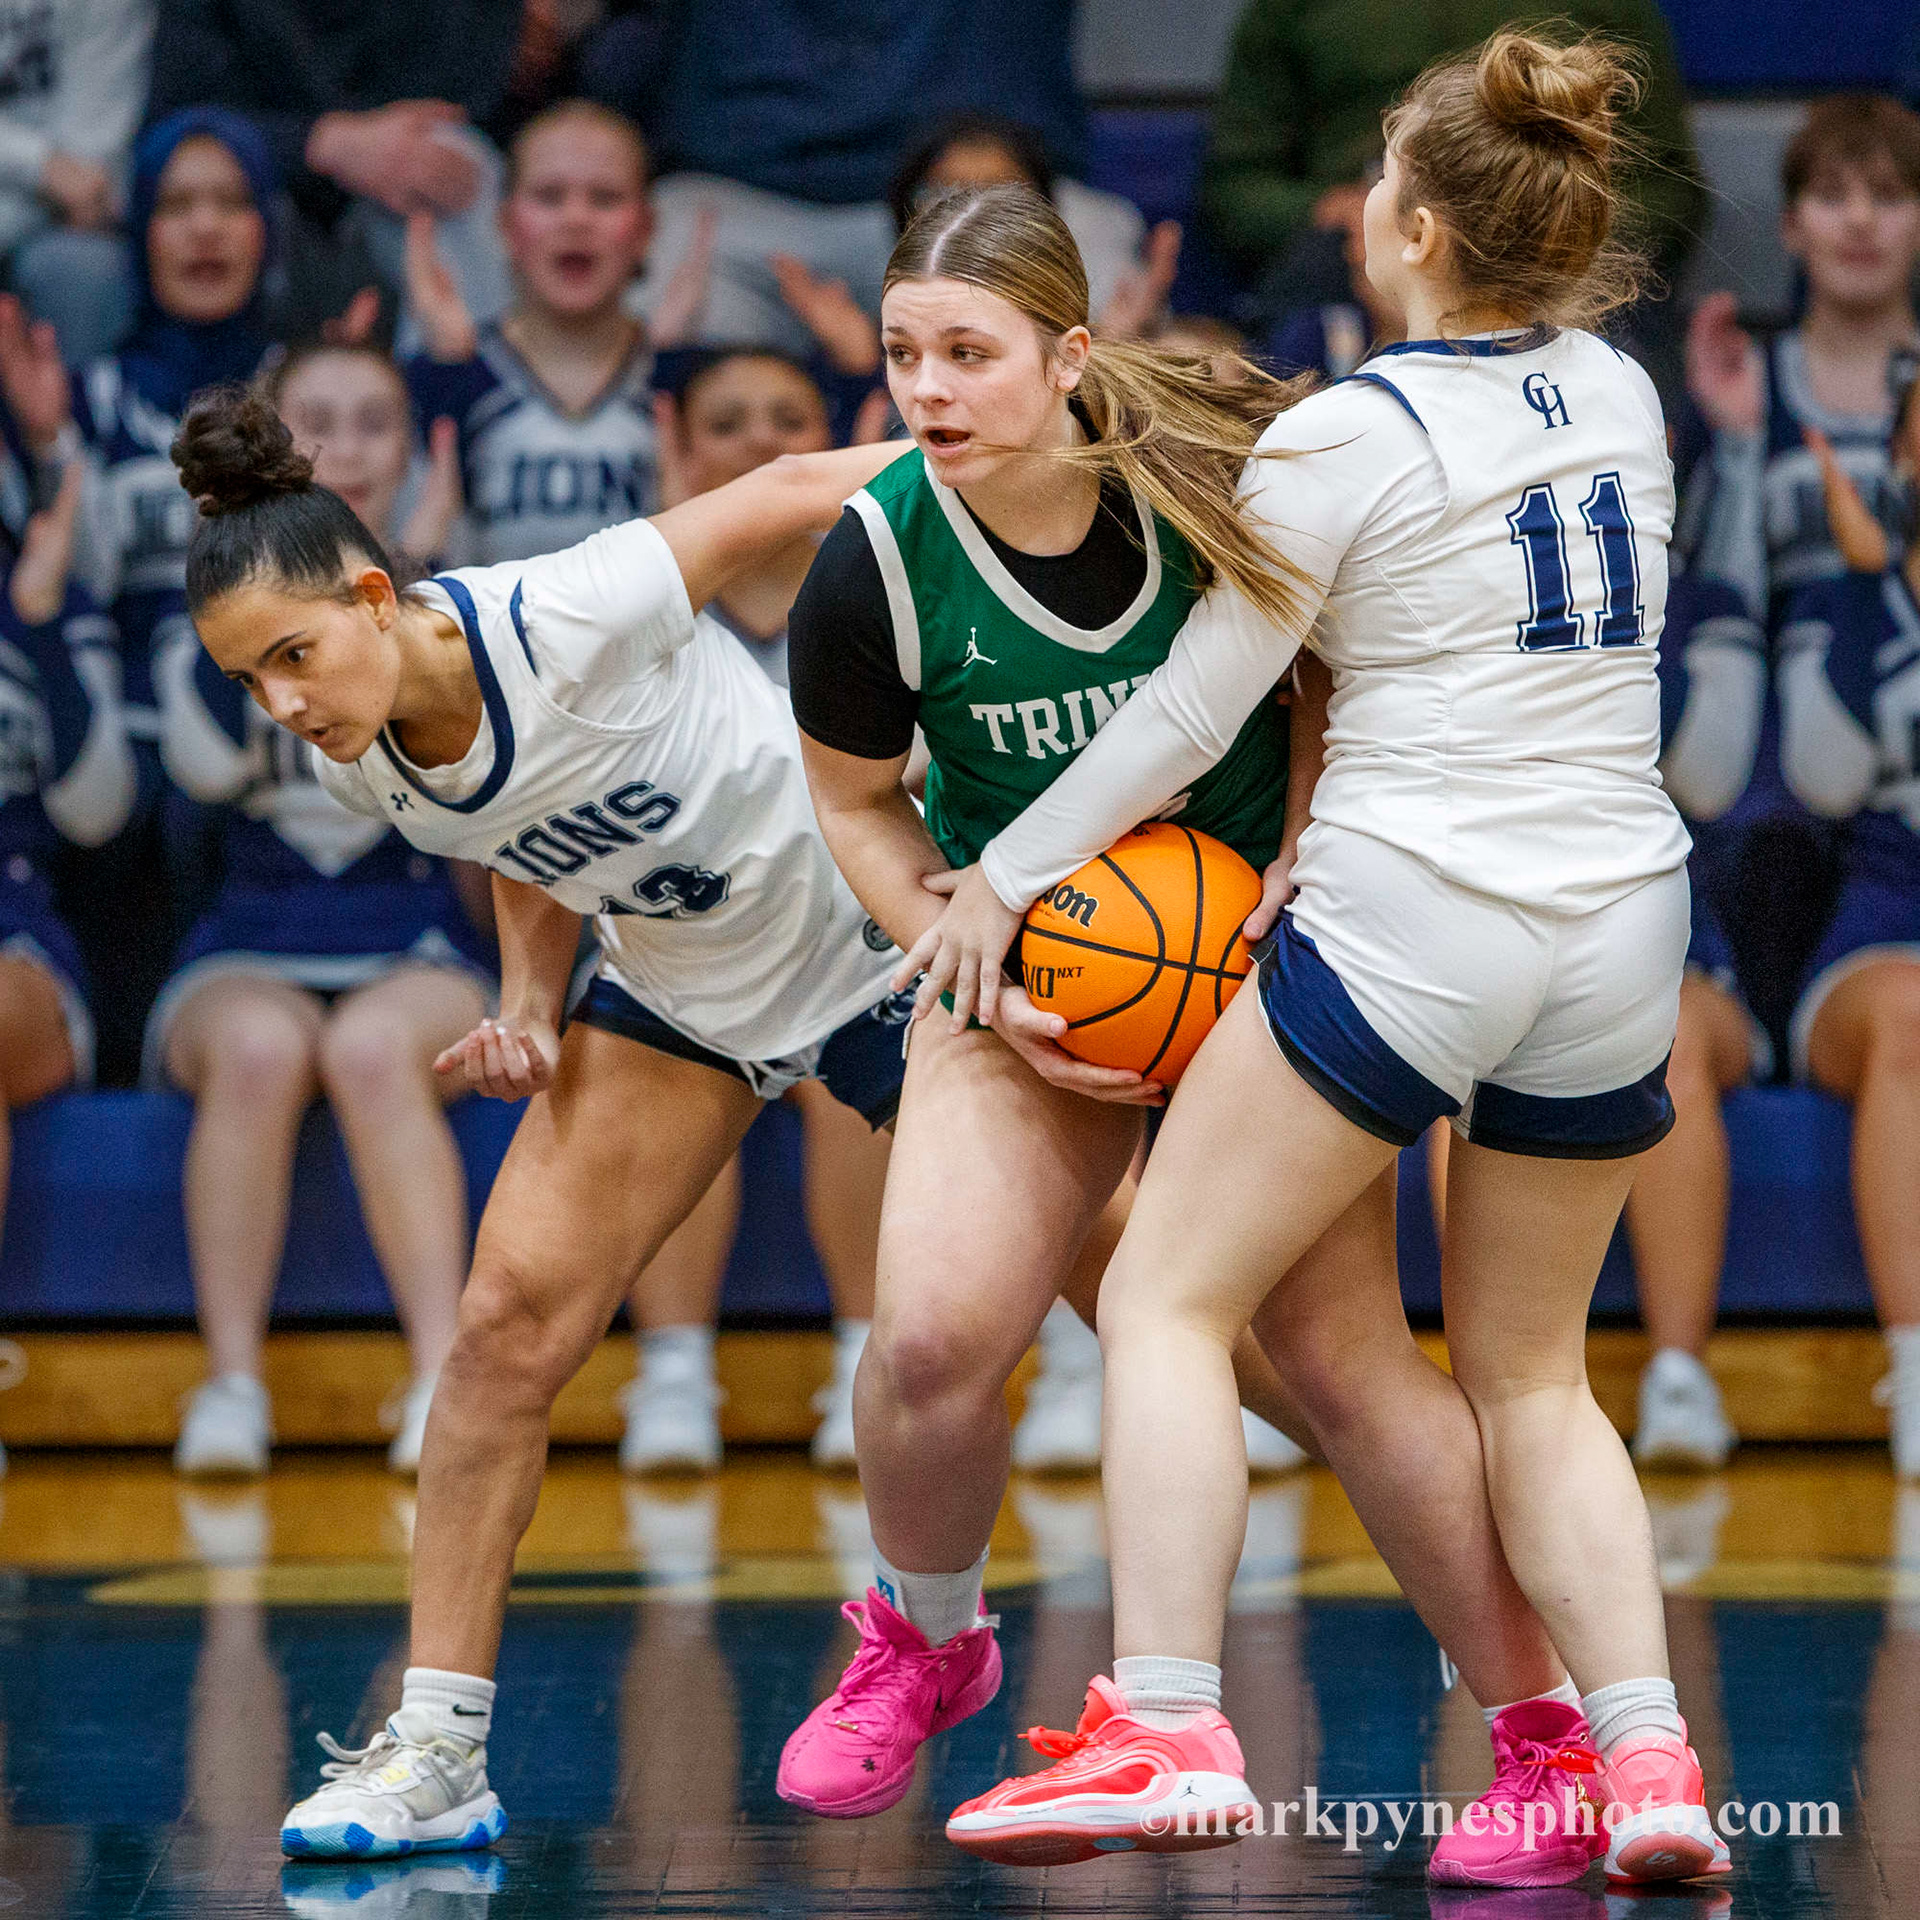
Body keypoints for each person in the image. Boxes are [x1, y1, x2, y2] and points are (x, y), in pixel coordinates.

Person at [906, 39, 1727, 1885]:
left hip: (1422, 904)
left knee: (1171, 1301)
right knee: (1532, 1375)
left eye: (1372, 172)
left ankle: (1169, 1717)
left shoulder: (1347, 431)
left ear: (1410, 227)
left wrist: (1003, 878)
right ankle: (1649, 1767)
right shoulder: (1621, 389)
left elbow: (1193, 714)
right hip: (1621, 921)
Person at [779, 181, 1612, 1894]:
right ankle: (930, 1637)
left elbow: (1339, 668)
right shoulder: (875, 555)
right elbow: (855, 803)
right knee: (932, 1338)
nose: (927, 390)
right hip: (1025, 977)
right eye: (901, 355)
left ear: (1071, 356)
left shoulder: (1213, 478)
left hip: (1260, 972)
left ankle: (1551, 1748)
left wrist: (1309, 839)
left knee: (1351, 1370)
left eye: (967, 354)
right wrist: (957, 942)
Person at [160, 381, 922, 1855]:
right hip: (684, 994)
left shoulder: (563, 606)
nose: (286, 706)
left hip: (873, 938)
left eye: (295, 656)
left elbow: (780, 489)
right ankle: (437, 1751)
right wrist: (524, 996)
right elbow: (521, 826)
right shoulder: (360, 752)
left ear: (379, 600)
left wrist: (1018, 456)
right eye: (249, 683)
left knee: (1146, 1280)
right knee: (503, 1332)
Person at [152, 343, 488, 1479]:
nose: (345, 448)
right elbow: (199, 771)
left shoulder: (448, 603)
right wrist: (236, 591)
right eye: (318, 424)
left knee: (372, 1049)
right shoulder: (201, 613)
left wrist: (416, 578)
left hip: (408, 936)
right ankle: (231, 1384)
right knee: (258, 1048)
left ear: (412, 452)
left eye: (373, 424)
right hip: (251, 934)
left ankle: (442, 1378)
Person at [616, 345, 890, 1473]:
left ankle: (864, 1365)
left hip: (862, 942)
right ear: (678, 449)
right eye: (729, 420)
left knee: (854, 1069)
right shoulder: (636, 617)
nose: (764, 440)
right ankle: (674, 1371)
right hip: (695, 947)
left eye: (790, 416)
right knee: (677, 1057)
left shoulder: (884, 594)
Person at [0, 108, 281, 1080]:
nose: (205, 229)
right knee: (118, 807)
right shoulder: (80, 395)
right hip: (110, 740)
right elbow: (53, 582)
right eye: (177, 206)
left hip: (265, 730)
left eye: (231, 204)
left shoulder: (308, 393)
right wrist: (46, 449)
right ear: (140, 235)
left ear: (268, 230)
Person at [1778, 388, 1920, 1475]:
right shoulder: (1856, 603)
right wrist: (1869, 584)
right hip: (1874, 942)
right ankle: (1915, 1367)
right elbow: (1823, 781)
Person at [1625, 569, 1767, 1468]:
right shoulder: (1465, 559)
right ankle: (1492, 1393)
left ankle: (1679, 1379)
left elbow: (1709, 779)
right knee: (1476, 1055)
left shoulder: (1706, 600)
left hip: (1675, 943)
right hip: (1508, 931)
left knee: (1666, 1040)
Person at [146, 0, 518, 341]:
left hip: (400, 178)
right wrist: (326, 142)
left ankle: (466, 384)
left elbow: (471, 93)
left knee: (450, 158)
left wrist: (374, 144)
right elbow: (178, 113)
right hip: (268, 172)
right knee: (202, 172)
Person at [404, 102, 664, 565]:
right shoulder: (445, 376)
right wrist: (443, 376)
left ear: (645, 229)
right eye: (549, 196)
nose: (576, 219)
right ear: (506, 226)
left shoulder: (687, 381)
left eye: (604, 198)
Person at [0, 0, 154, 364]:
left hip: (55, 227)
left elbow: (88, 179)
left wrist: (63, 181)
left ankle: (68, 422)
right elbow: (62, 178)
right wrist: (40, 166)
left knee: (82, 269)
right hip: (38, 201)